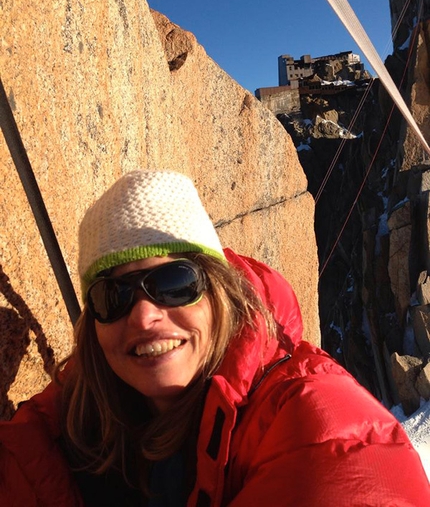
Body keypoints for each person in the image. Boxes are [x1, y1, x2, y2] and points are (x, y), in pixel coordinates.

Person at [0, 169, 429, 507]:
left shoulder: (309, 417)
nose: (145, 315)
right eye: (113, 295)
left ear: (220, 292)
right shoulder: (75, 422)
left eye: (173, 281)